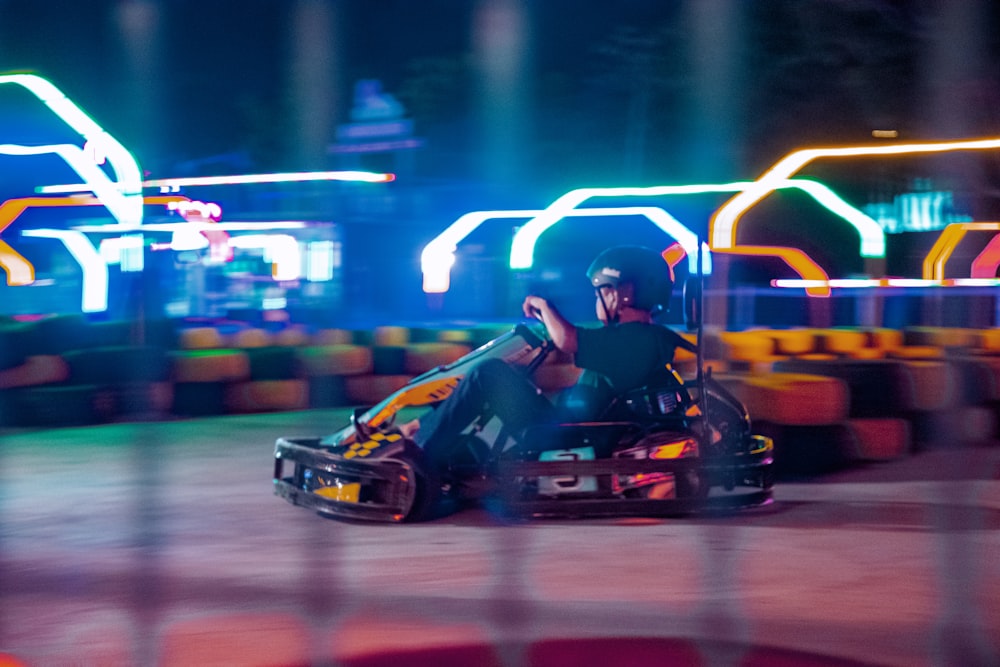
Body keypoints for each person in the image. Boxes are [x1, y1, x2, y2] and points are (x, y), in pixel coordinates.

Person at [359, 245, 696, 474]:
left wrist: (543, 306)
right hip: (568, 425)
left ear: (623, 294)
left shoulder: (635, 340)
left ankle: (415, 454)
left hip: (568, 437)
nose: (598, 300)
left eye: (601, 292)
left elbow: (568, 339)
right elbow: (572, 343)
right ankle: (425, 431)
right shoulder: (644, 340)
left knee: (488, 375)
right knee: (505, 382)